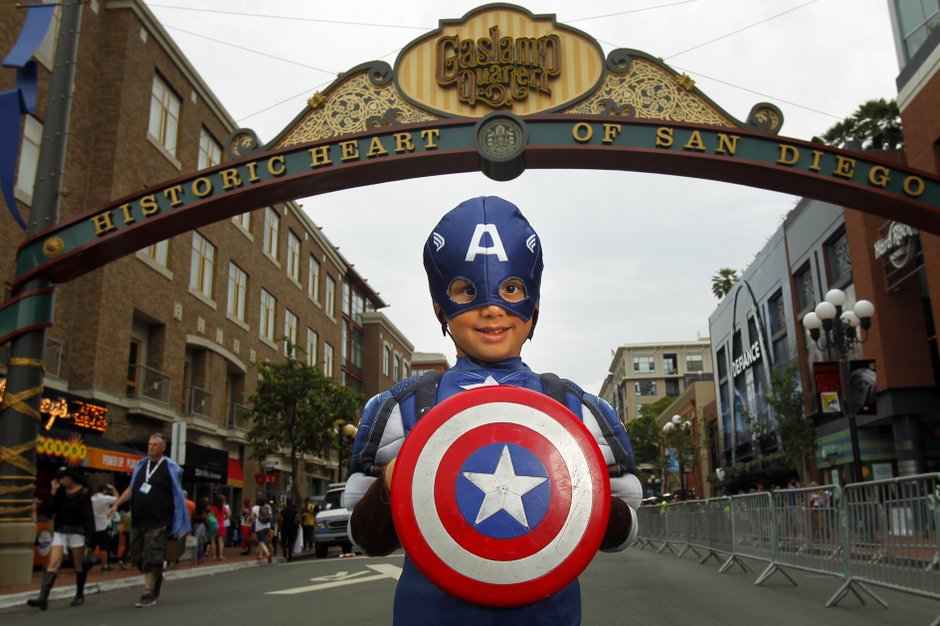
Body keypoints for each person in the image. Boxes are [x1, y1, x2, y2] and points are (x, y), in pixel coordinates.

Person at [346, 197, 641, 625]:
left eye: (511, 290)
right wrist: (393, 482)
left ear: (534, 305)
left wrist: (583, 489)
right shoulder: (403, 407)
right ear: (440, 307)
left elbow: (622, 533)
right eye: (467, 292)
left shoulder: (574, 407)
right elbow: (365, 539)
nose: (492, 309)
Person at [108, 433, 190, 608]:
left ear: (163, 447)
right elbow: (131, 487)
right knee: (137, 555)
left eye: (155, 445)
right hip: (138, 519)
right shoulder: (141, 465)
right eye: (150, 444)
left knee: (152, 556)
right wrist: (117, 504)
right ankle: (157, 576)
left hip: (159, 520)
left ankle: (148, 592)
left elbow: (177, 493)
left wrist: (176, 518)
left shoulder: (170, 467)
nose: (151, 447)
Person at [27, 465, 95, 610]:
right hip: (60, 531)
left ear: (70, 477)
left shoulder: (84, 492)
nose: (61, 481)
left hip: (78, 531)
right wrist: (53, 492)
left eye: (63, 478)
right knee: (53, 562)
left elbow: (89, 518)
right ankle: (43, 597)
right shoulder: (60, 492)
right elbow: (49, 511)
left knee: (78, 563)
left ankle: (79, 594)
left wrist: (89, 541)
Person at [90, 483, 119, 572]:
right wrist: (113, 489)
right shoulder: (105, 498)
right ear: (104, 490)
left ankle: (85, 563)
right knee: (103, 547)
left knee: (90, 546)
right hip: (103, 525)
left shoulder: (92, 498)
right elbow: (117, 499)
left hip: (93, 525)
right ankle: (104, 566)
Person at [252, 497, 273, 563]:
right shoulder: (267, 507)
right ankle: (260, 555)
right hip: (267, 525)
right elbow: (270, 516)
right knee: (262, 541)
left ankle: (268, 554)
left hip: (259, 526)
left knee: (261, 541)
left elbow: (253, 517)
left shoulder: (255, 508)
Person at [191, 497, 210, 563]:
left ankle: (195, 557)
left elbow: (192, 517)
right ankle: (199, 557)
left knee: (196, 541)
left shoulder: (194, 511)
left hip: (195, 525)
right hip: (202, 526)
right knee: (201, 542)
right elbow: (206, 519)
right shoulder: (204, 512)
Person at [210, 494, 227, 561]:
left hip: (214, 525)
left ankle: (214, 556)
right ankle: (221, 556)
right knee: (220, 540)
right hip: (222, 525)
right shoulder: (223, 508)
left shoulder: (213, 508)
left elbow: (212, 517)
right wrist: (223, 519)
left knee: (213, 540)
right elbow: (227, 515)